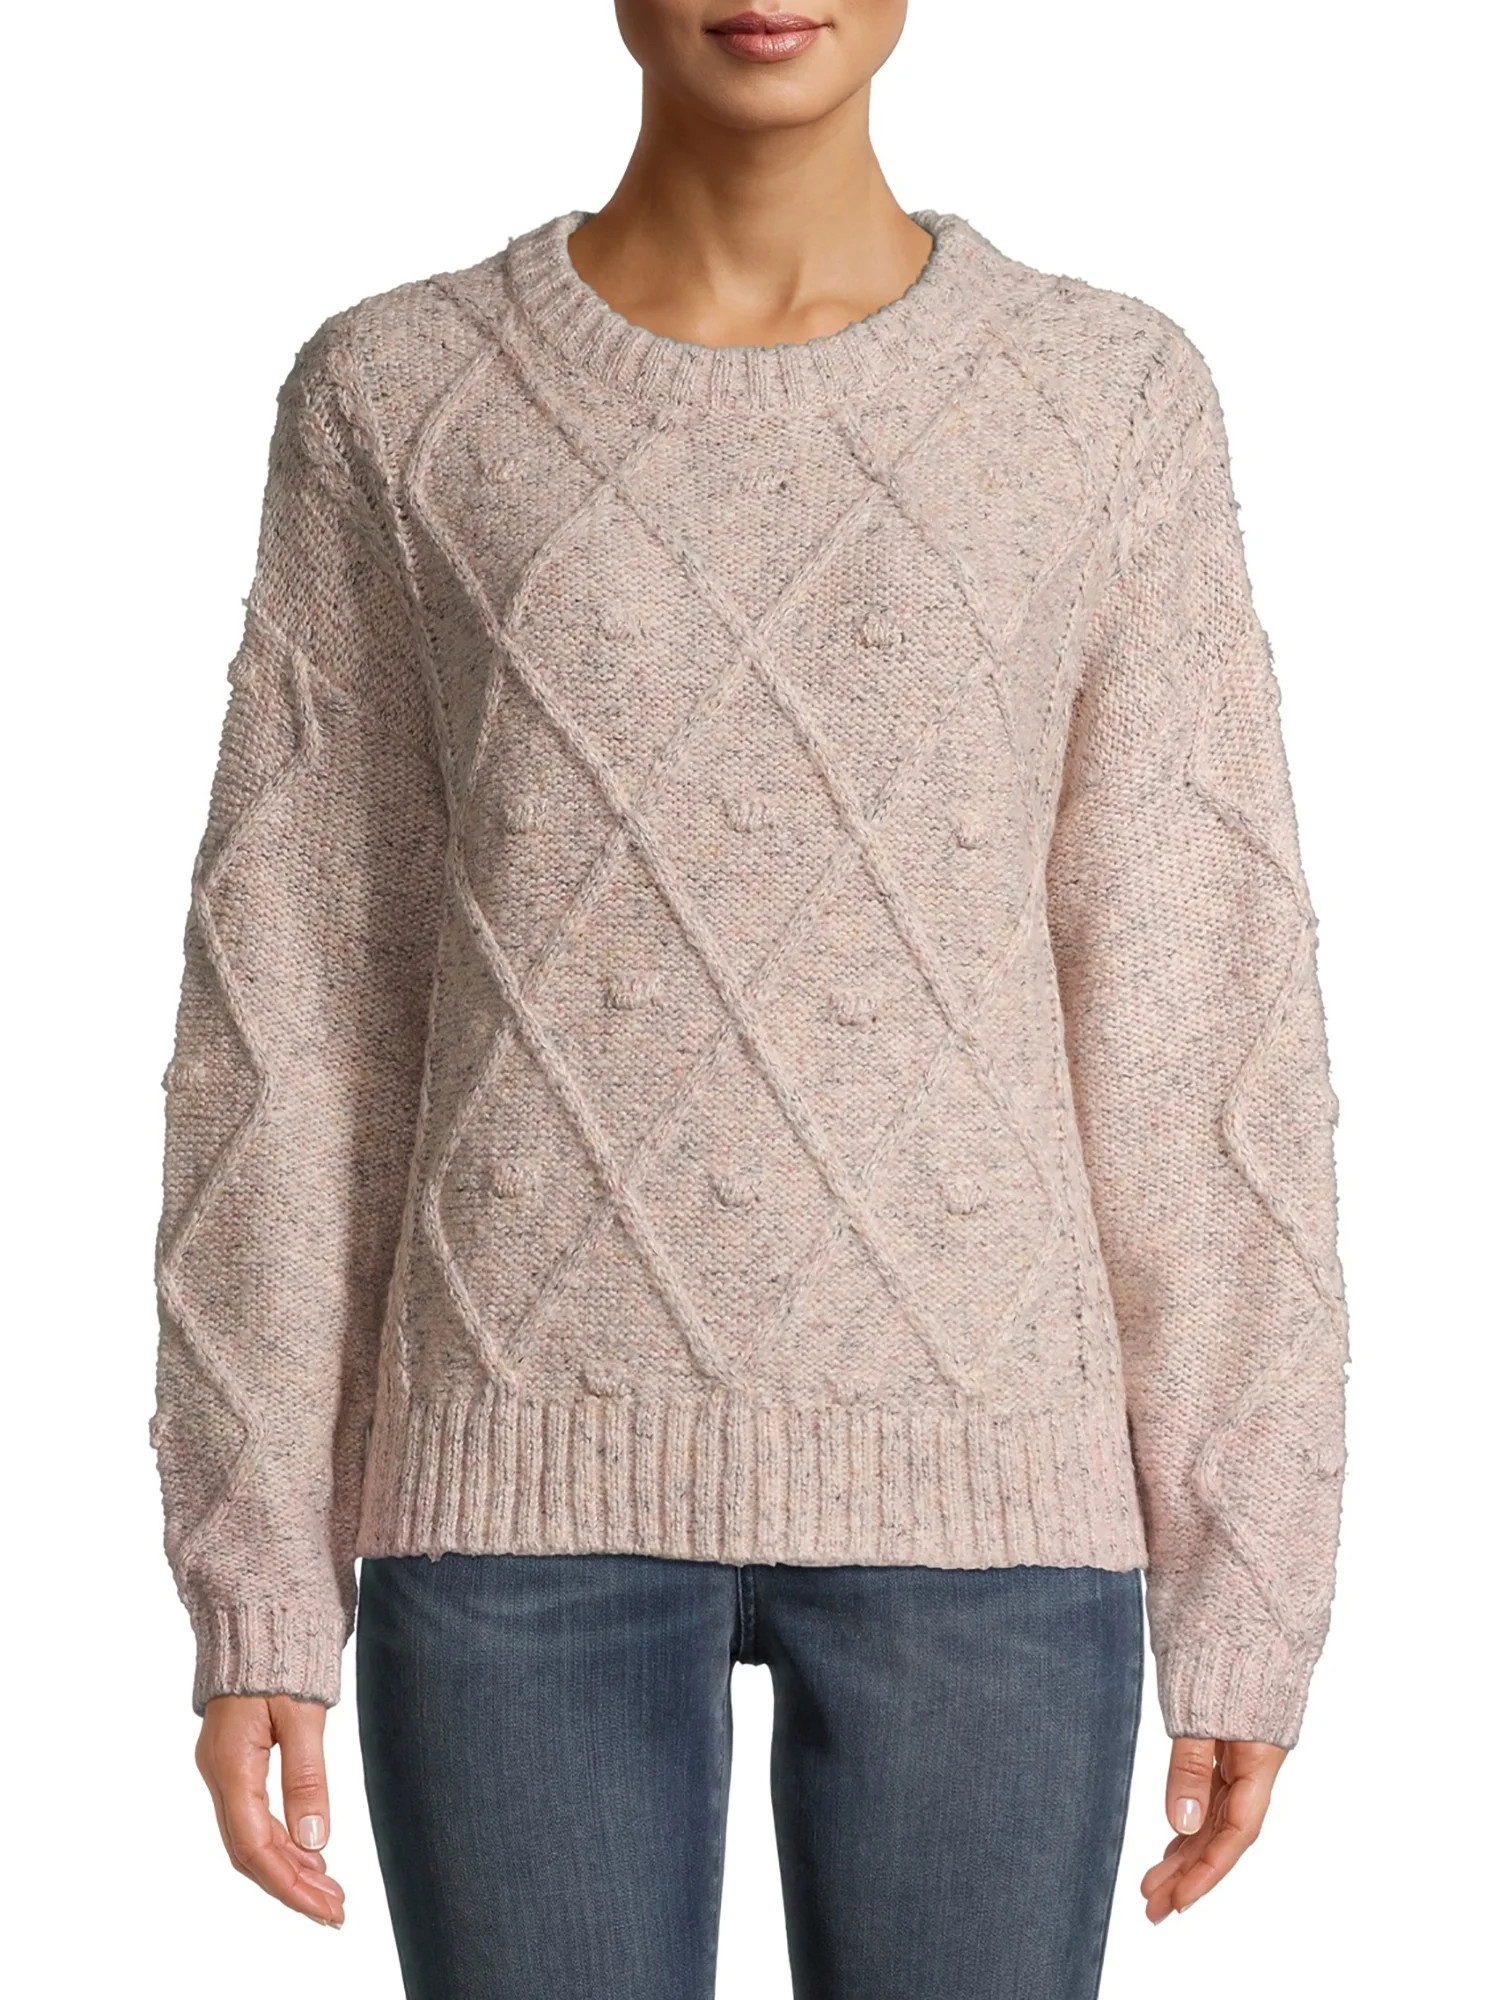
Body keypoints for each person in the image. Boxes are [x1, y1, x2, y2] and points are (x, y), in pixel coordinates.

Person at [148, 4, 1351, 1994]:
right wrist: (257, 1569)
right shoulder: (398, 396)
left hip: (992, 1498)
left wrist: (1248, 1585)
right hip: (508, 1490)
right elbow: (295, 1008)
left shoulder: (1105, 399)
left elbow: (1196, 1013)